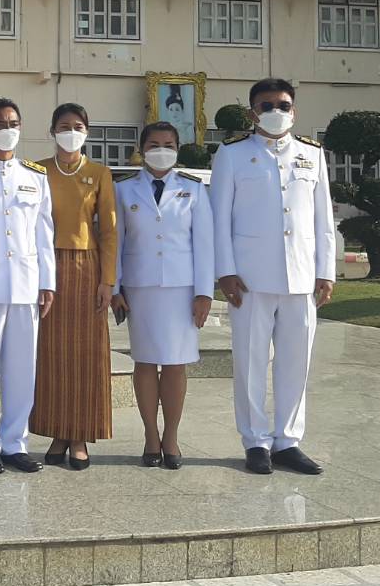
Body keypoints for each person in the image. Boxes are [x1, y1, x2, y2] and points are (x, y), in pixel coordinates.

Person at [210, 78, 335, 476]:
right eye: (266, 106)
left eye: (283, 105)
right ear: (252, 112)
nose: (275, 112)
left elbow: (323, 219)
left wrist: (325, 271)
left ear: (294, 110)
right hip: (249, 279)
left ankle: (288, 440)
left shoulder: (312, 155)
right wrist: (225, 271)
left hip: (300, 277)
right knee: (250, 363)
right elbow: (219, 219)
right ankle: (256, 441)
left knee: (295, 363)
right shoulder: (231, 155)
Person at [111, 121, 214, 470]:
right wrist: (115, 287)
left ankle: (171, 437)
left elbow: (204, 245)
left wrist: (204, 293)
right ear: (142, 148)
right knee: (144, 361)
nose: (161, 150)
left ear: (178, 148)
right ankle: (150, 436)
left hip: (180, 288)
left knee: (174, 363)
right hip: (140, 288)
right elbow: (116, 243)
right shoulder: (123, 190)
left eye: (168, 144)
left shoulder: (194, 190)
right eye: (154, 144)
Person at [0, 97, 55, 475]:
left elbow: (44, 232)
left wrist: (47, 282)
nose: (8, 129)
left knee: (22, 369)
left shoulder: (34, 176)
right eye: (0, 123)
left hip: (25, 284)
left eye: (14, 122)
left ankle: (15, 442)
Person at [30, 102, 117, 470]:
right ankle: (56, 431)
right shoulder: (35, 171)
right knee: (50, 353)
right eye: (64, 125)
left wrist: (107, 280)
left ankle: (80, 434)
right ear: (52, 131)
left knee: (85, 353)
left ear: (87, 131)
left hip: (85, 266)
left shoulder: (99, 173)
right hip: (45, 266)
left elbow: (110, 230)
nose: (71, 131)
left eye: (78, 125)